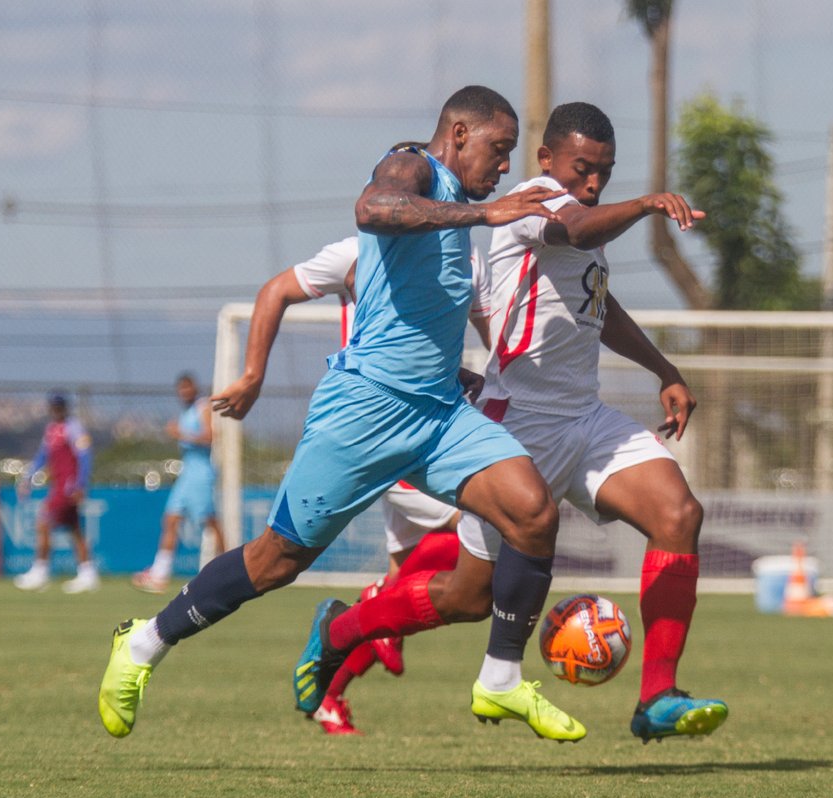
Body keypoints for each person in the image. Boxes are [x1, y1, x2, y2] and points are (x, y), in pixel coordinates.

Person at [98, 85, 583, 742]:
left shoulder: (461, 221)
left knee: (533, 512)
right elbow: (373, 208)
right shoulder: (411, 166)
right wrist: (484, 213)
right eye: (498, 150)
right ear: (459, 134)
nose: (503, 166)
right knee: (276, 561)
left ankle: (499, 680)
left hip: (440, 417)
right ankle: (144, 642)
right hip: (364, 412)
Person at [319, 101, 728, 742]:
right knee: (468, 598)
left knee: (679, 515)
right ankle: (341, 629)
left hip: (585, 417)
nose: (592, 183)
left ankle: (657, 697)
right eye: (582, 168)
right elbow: (579, 231)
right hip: (518, 425)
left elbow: (598, 303)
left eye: (604, 172)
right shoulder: (535, 202)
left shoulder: (583, 216)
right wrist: (648, 203)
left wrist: (664, 368)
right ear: (546, 160)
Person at [210, 232, 485, 734]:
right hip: (384, 431)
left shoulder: (462, 254)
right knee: (480, 527)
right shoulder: (358, 250)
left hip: (426, 424)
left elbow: (435, 334)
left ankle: (329, 694)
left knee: (404, 592)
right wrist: (252, 375)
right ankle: (372, 605)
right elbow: (277, 289)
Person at [131, 373, 228, 594]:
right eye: (181, 389)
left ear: (194, 388)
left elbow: (210, 437)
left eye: (187, 387)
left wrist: (181, 434)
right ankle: (160, 574)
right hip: (187, 472)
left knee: (210, 522)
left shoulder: (202, 408)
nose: (184, 392)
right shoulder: (186, 412)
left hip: (201, 473)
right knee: (171, 519)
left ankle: (228, 569)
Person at [13, 392, 99, 594]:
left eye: (59, 407)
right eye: (53, 406)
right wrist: (28, 478)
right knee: (75, 529)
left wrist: (80, 484)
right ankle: (88, 573)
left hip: (67, 487)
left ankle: (40, 571)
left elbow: (85, 456)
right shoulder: (51, 430)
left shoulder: (73, 427)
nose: (56, 410)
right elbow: (42, 456)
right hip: (57, 484)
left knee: (43, 522)